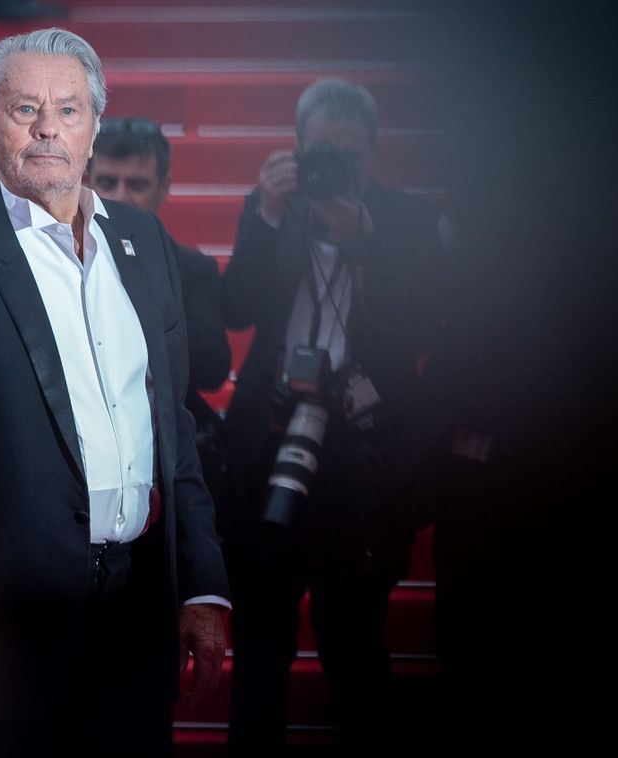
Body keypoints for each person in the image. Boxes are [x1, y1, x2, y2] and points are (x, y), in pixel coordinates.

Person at [0, 28, 231, 758]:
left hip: (136, 610)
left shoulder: (145, 244)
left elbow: (172, 428)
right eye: (24, 109)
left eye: (69, 109)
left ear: (92, 129)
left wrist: (202, 586)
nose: (48, 127)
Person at [221, 78, 444, 753]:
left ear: (372, 154)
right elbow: (234, 309)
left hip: (360, 463)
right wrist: (263, 215)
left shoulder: (404, 221)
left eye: (349, 153)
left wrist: (362, 244)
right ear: (296, 149)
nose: (334, 166)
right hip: (268, 449)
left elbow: (416, 334)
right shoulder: (274, 210)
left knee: (353, 644)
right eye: (320, 150)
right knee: (259, 649)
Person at [86, 117, 233, 534]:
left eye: (136, 184)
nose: (119, 196)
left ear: (164, 188)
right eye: (107, 182)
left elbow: (212, 366)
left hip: (168, 466)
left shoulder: (192, 269)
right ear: (86, 180)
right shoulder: (56, 263)